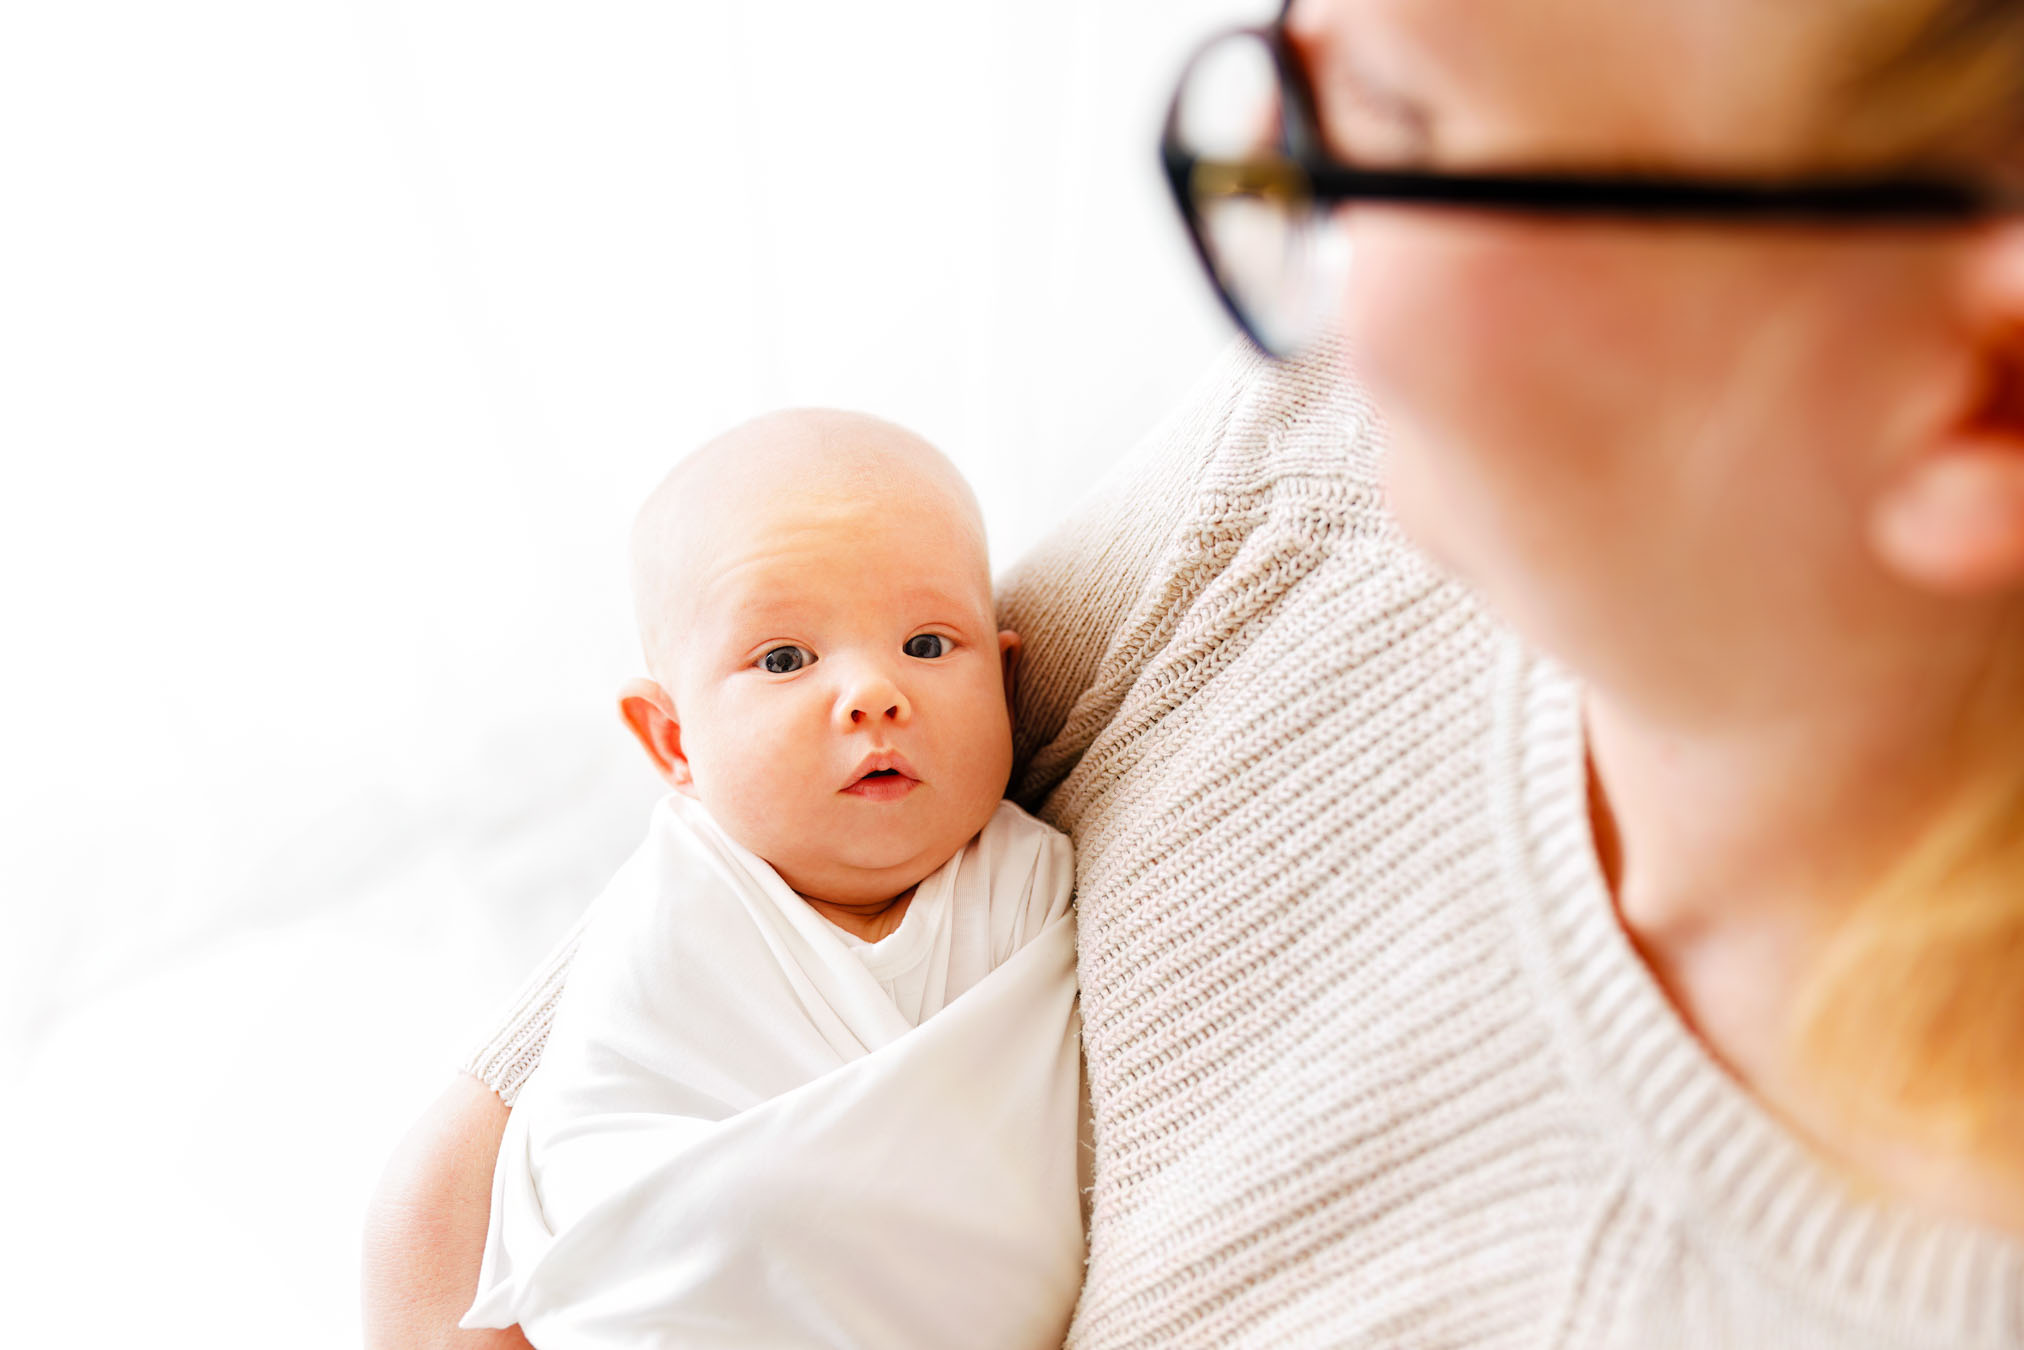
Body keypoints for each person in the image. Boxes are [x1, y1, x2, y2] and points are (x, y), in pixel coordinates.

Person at [363, 0, 2024, 1345]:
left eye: (1405, 130)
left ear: (1974, 393)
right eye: (1305, 78)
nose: (1296, 290)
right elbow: (508, 1156)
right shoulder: (1311, 471)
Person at [457, 410, 1084, 1348]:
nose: (874, 692)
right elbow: (606, 1179)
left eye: (926, 644)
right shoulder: (671, 915)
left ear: (1002, 677)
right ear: (673, 741)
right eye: (785, 659)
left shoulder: (1043, 879)